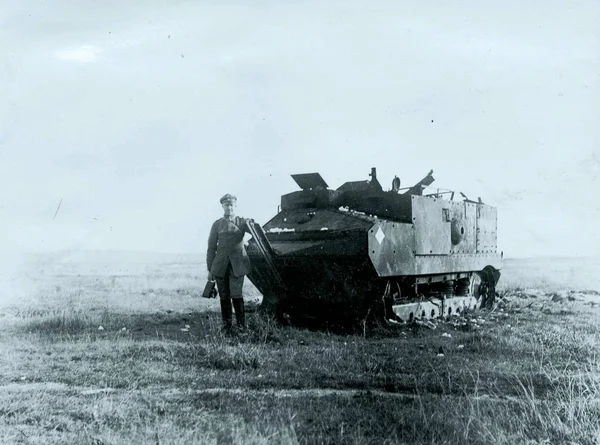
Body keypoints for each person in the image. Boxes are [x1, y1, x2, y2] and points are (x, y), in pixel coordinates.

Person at [206, 194, 254, 333]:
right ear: (222, 206)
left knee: (237, 294)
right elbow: (211, 248)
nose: (230, 207)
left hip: (237, 264)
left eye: (232, 205)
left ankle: (241, 327)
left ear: (236, 206)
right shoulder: (217, 224)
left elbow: (255, 232)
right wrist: (210, 269)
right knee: (224, 296)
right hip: (220, 265)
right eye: (227, 205)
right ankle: (226, 327)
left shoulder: (242, 222)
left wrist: (251, 224)